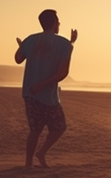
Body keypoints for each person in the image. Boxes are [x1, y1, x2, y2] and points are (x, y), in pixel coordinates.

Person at [15, 9, 78, 168]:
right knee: (58, 127)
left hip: (30, 93)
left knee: (35, 130)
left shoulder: (30, 40)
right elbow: (62, 73)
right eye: (58, 21)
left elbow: (18, 59)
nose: (59, 24)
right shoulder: (64, 44)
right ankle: (39, 154)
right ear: (54, 23)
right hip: (48, 96)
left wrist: (22, 46)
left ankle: (30, 162)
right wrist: (42, 85)